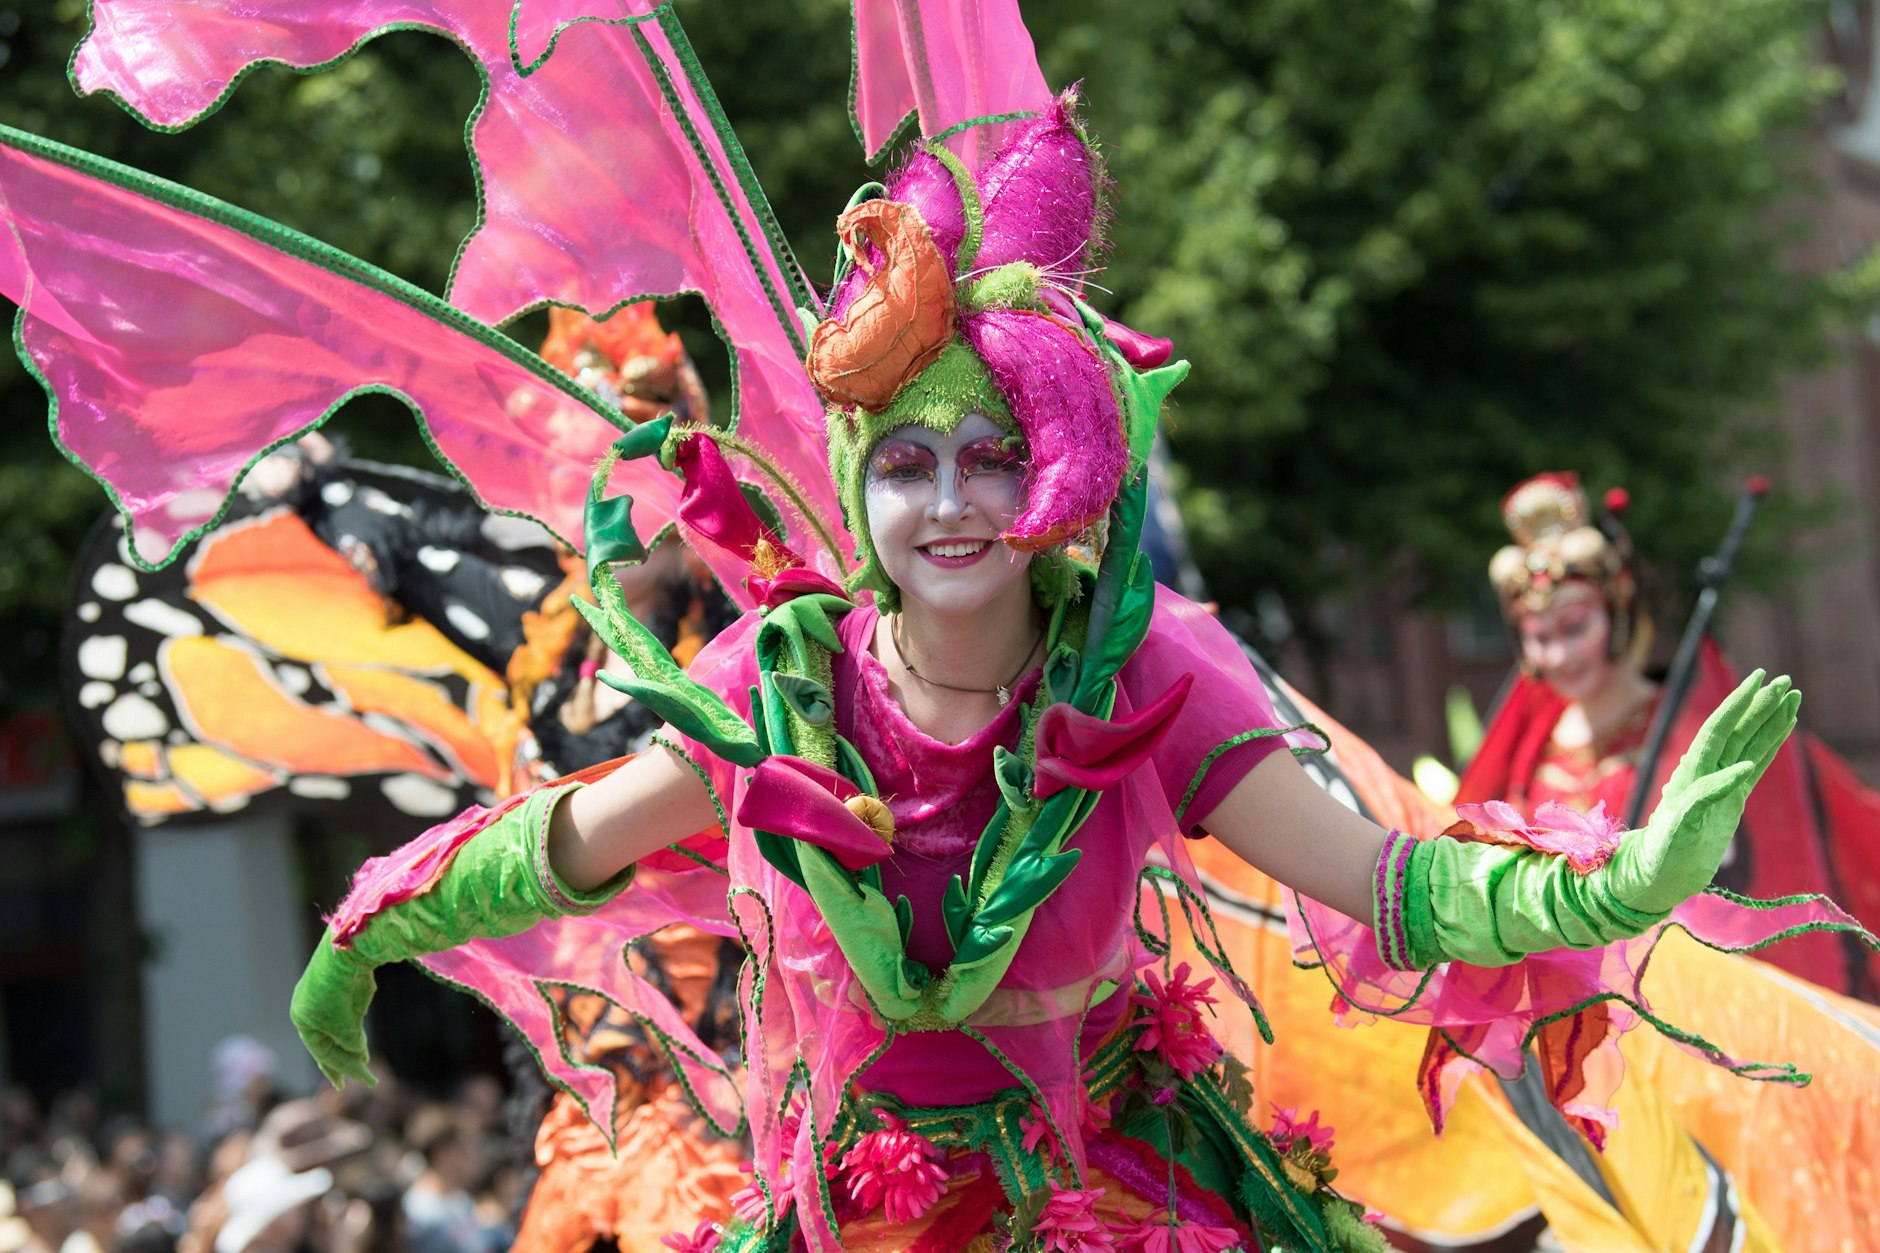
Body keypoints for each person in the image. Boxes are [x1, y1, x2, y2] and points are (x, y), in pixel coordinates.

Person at [284, 104, 1845, 1253]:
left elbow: (1381, 883)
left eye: (995, 455)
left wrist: (1607, 888)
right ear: (859, 492)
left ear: (1062, 477)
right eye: (907, 463)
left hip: (1112, 1194)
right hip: (848, 1213)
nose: (953, 498)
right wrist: (375, 921)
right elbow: (569, 840)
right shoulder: (784, 677)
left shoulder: (1143, 669)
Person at [1458, 472, 1880, 995]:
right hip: (1560, 991)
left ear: (1615, 614)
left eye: (1574, 628)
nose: (1559, 657)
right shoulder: (1527, 749)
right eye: (1539, 638)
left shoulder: (1689, 731)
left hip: (1681, 986)